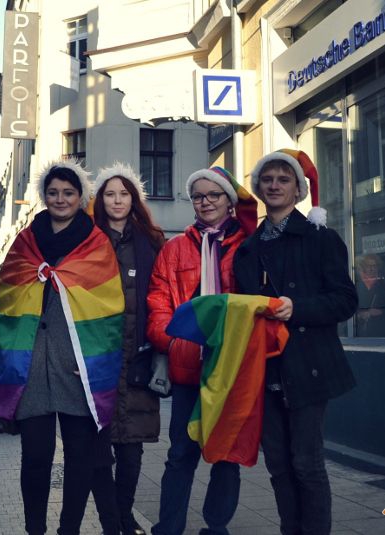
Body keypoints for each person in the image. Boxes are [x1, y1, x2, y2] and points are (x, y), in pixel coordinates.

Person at [0, 159, 125, 535]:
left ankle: (69, 529)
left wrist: (95, 363)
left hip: (78, 366)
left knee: (81, 459)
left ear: (81, 197)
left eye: (68, 192)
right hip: (32, 367)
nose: (60, 199)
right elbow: (10, 296)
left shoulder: (96, 243)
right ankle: (35, 529)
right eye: (53, 192)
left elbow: (109, 308)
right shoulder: (25, 242)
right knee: (35, 457)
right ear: (44, 196)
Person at [234, 149, 358, 535]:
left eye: (283, 179)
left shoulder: (321, 239)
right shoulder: (247, 250)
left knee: (307, 463)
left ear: (297, 190)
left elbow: (345, 301)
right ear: (259, 188)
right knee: (278, 465)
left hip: (308, 367)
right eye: (267, 179)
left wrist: (297, 308)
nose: (274, 185)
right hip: (265, 370)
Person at [147, 166, 256, 535]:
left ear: (229, 200)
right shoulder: (174, 248)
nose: (205, 202)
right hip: (187, 366)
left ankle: (216, 527)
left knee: (226, 456)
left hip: (231, 369)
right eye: (198, 196)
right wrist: (172, 341)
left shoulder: (248, 246)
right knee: (180, 454)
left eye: (213, 195)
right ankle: (168, 528)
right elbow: (158, 301)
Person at [89, 163, 165, 535]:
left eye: (124, 193)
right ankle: (111, 521)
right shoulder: (88, 240)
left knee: (132, 451)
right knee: (98, 453)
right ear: (100, 200)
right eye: (110, 194)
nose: (117, 200)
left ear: (134, 199)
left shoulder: (151, 241)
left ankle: (124, 516)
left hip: (139, 358)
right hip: (99, 361)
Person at [354, 254, 385, 337]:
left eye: (374, 266)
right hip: (358, 332)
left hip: (379, 330)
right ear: (363, 267)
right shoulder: (356, 284)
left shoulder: (381, 284)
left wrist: (380, 312)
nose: (372, 269)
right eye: (368, 266)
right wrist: (361, 315)